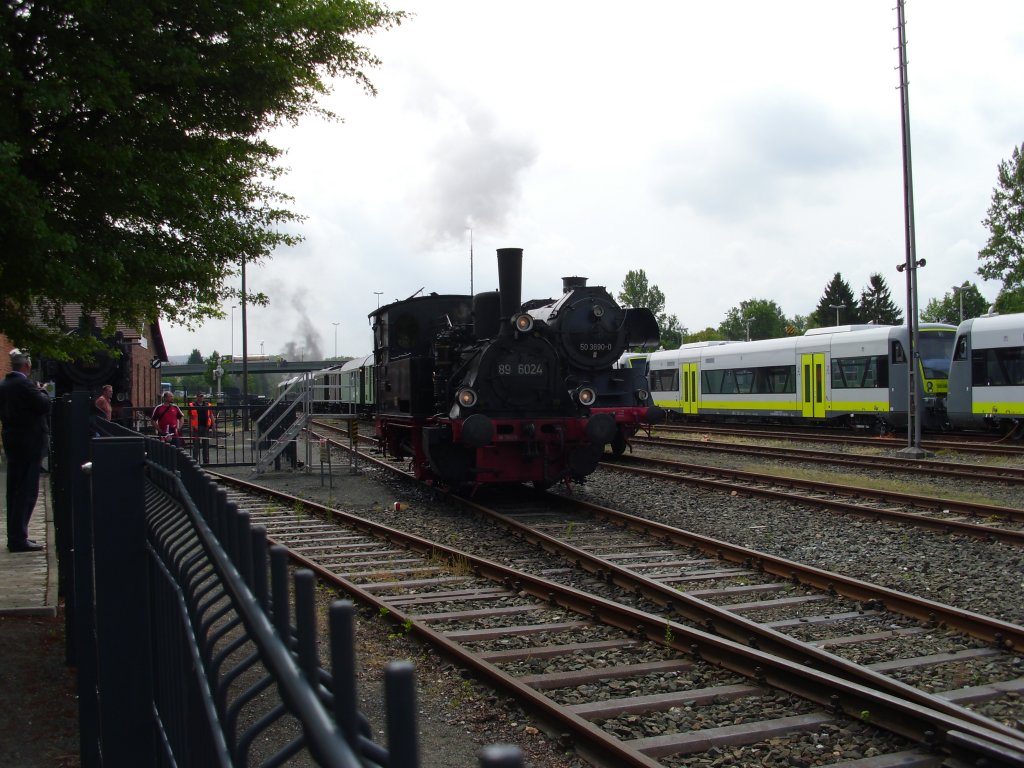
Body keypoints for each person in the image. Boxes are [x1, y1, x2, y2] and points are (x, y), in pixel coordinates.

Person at [0, 349, 51, 552]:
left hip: (12, 438)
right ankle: (19, 538)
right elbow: (43, 405)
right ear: (27, 365)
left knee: (14, 488)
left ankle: (15, 535)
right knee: (27, 490)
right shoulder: (25, 385)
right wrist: (43, 391)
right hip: (29, 441)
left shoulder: (4, 384)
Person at [188, 392, 214, 464]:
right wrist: (191, 428)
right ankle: (195, 461)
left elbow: (211, 415)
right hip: (196, 428)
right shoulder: (192, 405)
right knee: (196, 446)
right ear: (197, 397)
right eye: (199, 396)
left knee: (205, 445)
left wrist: (213, 426)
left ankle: (206, 461)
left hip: (205, 427)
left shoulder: (208, 405)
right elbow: (190, 417)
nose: (201, 397)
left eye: (202, 396)